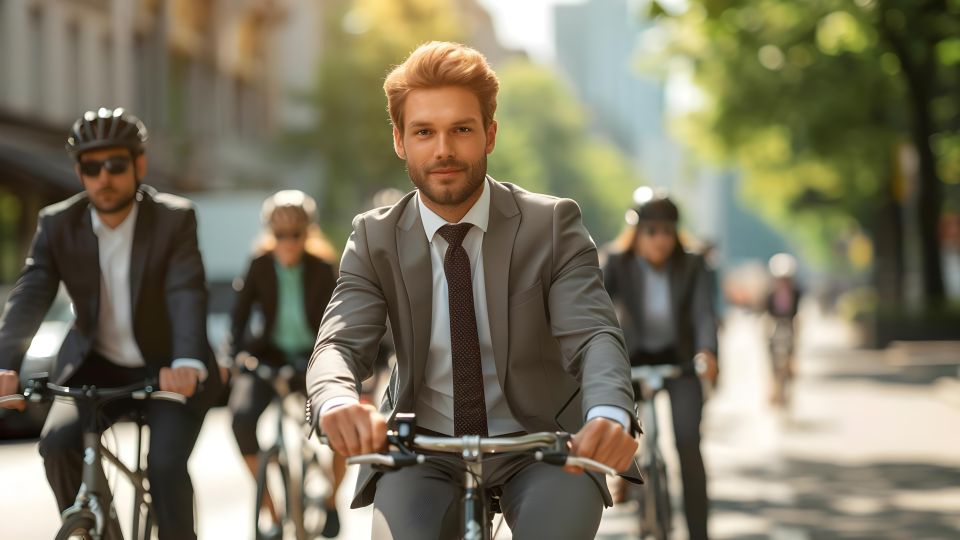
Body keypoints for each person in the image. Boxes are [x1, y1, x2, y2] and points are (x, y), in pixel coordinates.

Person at [306, 41, 640, 539]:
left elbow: (593, 334)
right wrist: (335, 401)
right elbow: (338, 342)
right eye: (424, 132)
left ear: (490, 135)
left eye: (461, 129)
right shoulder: (374, 237)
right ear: (400, 140)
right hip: (422, 447)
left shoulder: (552, 225)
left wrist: (609, 412)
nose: (443, 149)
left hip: (544, 445)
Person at [0, 107, 222, 539]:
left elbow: (186, 291)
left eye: (116, 165)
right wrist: (5, 362)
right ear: (79, 172)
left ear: (140, 164)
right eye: (91, 166)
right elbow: (29, 295)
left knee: (164, 467)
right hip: (94, 367)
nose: (104, 177)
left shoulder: (174, 219)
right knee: (57, 445)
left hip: (168, 369)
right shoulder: (57, 224)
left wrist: (186, 360)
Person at [602, 192, 718, 540]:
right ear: (636, 233)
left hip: (680, 363)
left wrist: (707, 351)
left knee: (688, 442)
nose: (660, 239)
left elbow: (703, 312)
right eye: (651, 230)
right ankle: (630, 475)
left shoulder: (692, 264)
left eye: (667, 230)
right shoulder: (617, 263)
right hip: (633, 361)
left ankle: (699, 533)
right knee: (623, 429)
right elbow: (597, 310)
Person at [228, 189, 343, 537]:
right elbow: (238, 319)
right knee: (240, 421)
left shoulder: (322, 268)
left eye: (296, 234)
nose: (288, 242)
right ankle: (273, 511)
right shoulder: (259, 265)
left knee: (341, 419)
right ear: (270, 234)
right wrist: (234, 356)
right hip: (270, 358)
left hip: (314, 358)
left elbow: (340, 320)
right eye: (280, 235)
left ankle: (331, 500)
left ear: (308, 233)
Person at [765, 252, 802, 405]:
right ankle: (774, 389)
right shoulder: (770, 294)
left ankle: (787, 390)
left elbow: (799, 314)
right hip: (775, 328)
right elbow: (766, 314)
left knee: (790, 359)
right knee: (772, 359)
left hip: (789, 327)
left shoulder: (796, 293)